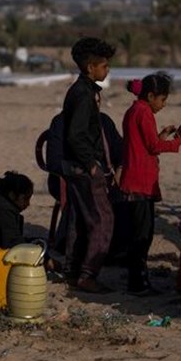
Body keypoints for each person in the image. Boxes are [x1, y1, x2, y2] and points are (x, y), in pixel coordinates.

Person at [119, 72, 181, 294]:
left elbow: (146, 144)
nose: (163, 104)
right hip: (139, 182)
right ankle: (138, 283)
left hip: (137, 179)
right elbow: (153, 147)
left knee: (140, 233)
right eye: (162, 100)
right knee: (142, 236)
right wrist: (180, 141)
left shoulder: (135, 110)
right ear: (151, 96)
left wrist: (164, 135)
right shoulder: (143, 112)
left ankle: (137, 280)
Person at [61, 37, 118, 293]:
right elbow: (76, 135)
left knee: (80, 219)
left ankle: (73, 271)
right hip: (84, 168)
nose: (107, 70)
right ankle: (88, 274)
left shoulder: (83, 91)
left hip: (75, 167)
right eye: (103, 65)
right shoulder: (83, 95)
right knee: (102, 219)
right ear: (89, 67)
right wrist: (91, 164)